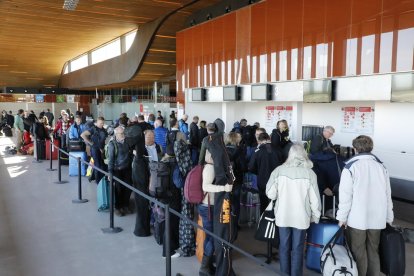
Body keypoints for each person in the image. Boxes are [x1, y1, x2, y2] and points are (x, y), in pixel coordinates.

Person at [336, 135, 394, 276]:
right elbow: (388, 195)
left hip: (357, 219)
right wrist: (389, 217)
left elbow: (345, 197)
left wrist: (341, 218)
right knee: (373, 250)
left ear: (355, 149)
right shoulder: (381, 167)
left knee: (358, 251)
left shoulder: (350, 167)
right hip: (377, 218)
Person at [266, 143, 321, 276]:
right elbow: (315, 199)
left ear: (290, 155)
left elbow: (270, 193)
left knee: (284, 247)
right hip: (301, 217)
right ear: (304, 155)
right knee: (298, 247)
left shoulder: (279, 170)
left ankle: (284, 273)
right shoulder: (310, 173)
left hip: (283, 215)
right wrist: (316, 216)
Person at [199, 147, 233, 276]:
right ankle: (204, 267)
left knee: (211, 237)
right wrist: (224, 188)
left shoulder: (211, 166)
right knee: (213, 237)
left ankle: (207, 265)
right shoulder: (210, 168)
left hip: (210, 206)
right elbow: (205, 186)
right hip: (208, 206)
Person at [248, 132, 283, 214]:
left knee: (263, 204)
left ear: (259, 141)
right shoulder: (279, 150)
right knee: (276, 203)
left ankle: (263, 222)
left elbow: (251, 167)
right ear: (269, 139)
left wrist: (259, 172)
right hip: (277, 181)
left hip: (262, 181)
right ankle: (275, 223)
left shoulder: (258, 151)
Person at [309, 126, 343, 210]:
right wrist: (331, 154)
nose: (331, 135)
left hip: (325, 163)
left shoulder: (327, 140)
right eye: (330, 133)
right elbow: (314, 154)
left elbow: (329, 149)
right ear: (325, 131)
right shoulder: (318, 138)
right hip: (318, 165)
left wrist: (333, 150)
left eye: (332, 134)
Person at [174, 132, 195, 257]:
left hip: (179, 189)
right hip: (187, 188)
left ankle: (184, 243)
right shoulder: (187, 153)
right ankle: (188, 245)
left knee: (183, 217)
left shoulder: (175, 154)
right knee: (188, 217)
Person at [132, 129, 153, 237]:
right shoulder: (139, 159)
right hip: (142, 187)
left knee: (144, 209)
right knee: (142, 208)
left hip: (143, 186)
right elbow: (141, 177)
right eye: (148, 137)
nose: (151, 139)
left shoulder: (139, 158)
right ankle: (142, 230)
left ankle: (144, 228)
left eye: (152, 137)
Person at [107, 126, 132, 217]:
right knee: (118, 189)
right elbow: (111, 160)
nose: (123, 135)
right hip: (117, 170)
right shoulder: (112, 144)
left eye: (124, 133)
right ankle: (118, 207)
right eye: (121, 134)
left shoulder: (126, 142)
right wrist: (110, 172)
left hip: (127, 169)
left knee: (128, 188)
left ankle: (125, 205)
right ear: (116, 134)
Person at [225, 132, 246, 232]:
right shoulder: (239, 151)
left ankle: (225, 222)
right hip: (236, 180)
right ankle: (234, 225)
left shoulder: (223, 150)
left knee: (225, 200)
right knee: (236, 202)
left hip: (224, 180)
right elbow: (243, 166)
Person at [81, 117, 108, 184]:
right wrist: (91, 143)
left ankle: (101, 180)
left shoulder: (104, 130)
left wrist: (103, 148)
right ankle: (98, 181)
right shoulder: (93, 129)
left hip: (101, 149)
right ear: (97, 122)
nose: (102, 124)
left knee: (102, 165)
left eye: (103, 123)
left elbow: (105, 140)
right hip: (95, 149)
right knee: (97, 165)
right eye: (100, 123)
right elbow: (83, 135)